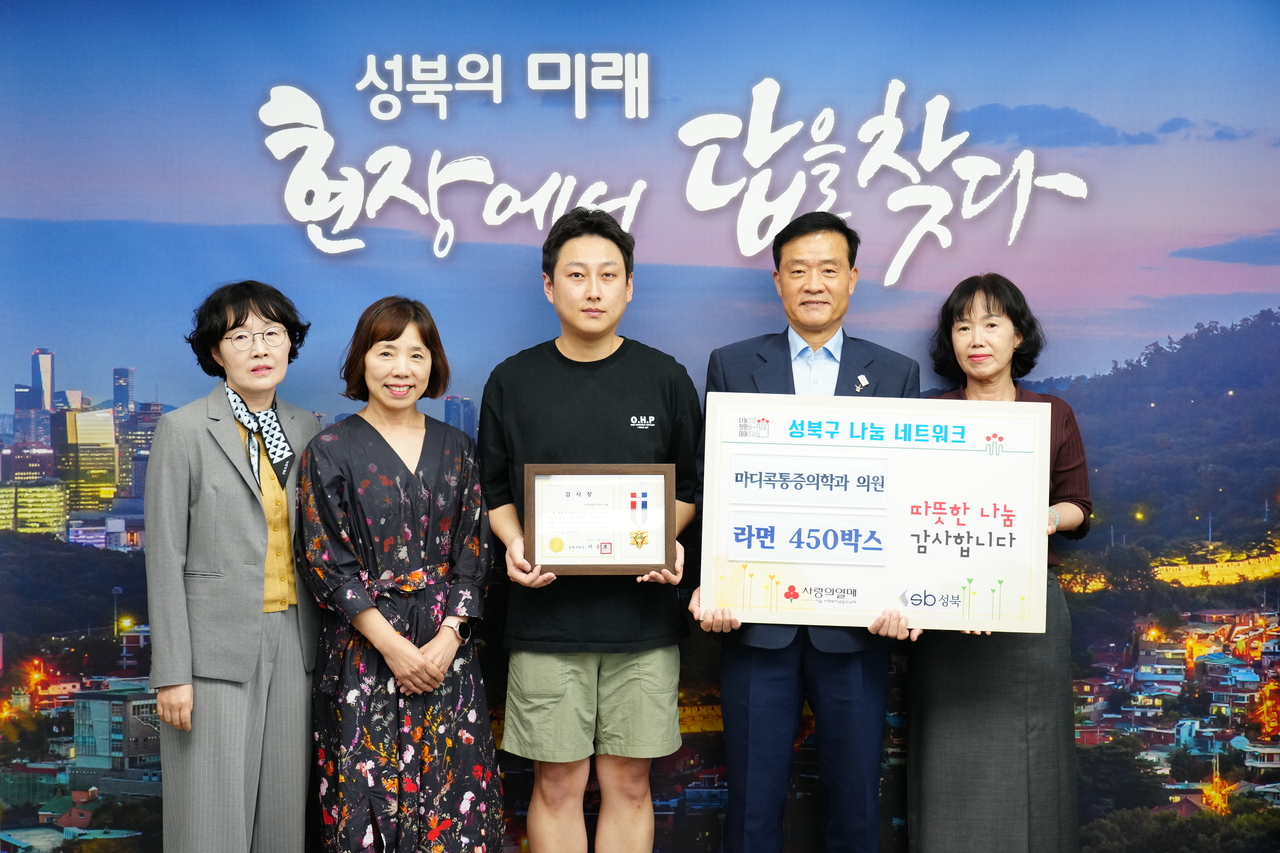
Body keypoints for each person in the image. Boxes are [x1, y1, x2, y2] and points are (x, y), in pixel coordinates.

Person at [690, 211, 921, 853]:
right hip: (756, 623)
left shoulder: (895, 373)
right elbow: (715, 484)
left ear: (852, 278)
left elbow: (905, 494)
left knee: (857, 804)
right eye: (798, 270)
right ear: (777, 281)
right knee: (752, 807)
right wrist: (712, 581)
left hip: (857, 627)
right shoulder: (734, 364)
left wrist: (907, 592)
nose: (813, 284)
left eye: (828, 269)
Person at [479, 207, 701, 853]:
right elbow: (494, 491)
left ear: (630, 286)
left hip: (642, 620)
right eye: (577, 274)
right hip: (546, 618)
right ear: (550, 286)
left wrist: (661, 537)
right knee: (556, 785)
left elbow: (690, 488)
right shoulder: (512, 380)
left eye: (609, 274)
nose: (594, 289)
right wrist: (515, 542)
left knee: (630, 783)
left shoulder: (665, 377)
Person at [296, 296, 503, 853]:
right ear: (362, 360)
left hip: (445, 657)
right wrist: (393, 648)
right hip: (363, 655)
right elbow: (324, 560)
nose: (401, 369)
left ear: (433, 364)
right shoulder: (328, 449)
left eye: (416, 354)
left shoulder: (459, 448)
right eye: (386, 352)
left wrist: (448, 639)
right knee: (367, 809)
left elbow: (474, 554)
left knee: (453, 811)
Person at [907, 273, 1091, 853]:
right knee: (949, 760)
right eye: (963, 326)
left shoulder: (1052, 413)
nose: (976, 338)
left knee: (1035, 763)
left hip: (1029, 610)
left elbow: (1079, 508)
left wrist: (1045, 517)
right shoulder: (928, 416)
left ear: (1018, 336)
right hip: (944, 612)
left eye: (991, 324)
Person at [145, 280, 320, 853]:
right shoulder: (183, 429)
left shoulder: (307, 427)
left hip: (297, 643)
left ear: (290, 343)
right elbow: (164, 558)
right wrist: (172, 673)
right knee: (209, 825)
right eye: (240, 337)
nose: (260, 348)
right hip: (211, 652)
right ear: (215, 352)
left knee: (283, 824)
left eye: (273, 333)